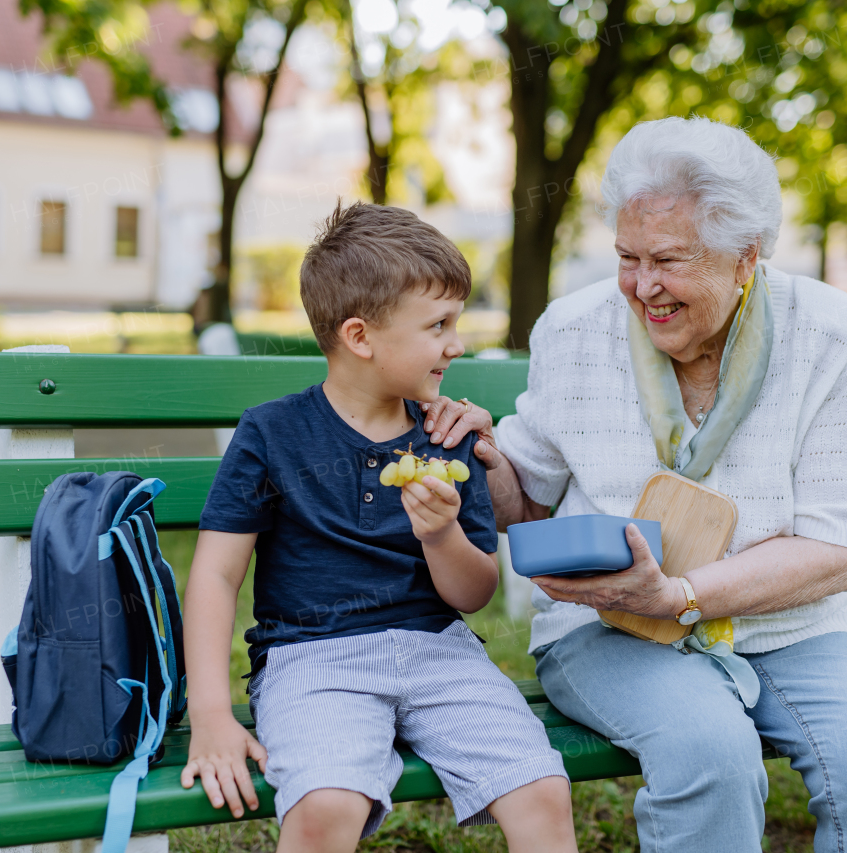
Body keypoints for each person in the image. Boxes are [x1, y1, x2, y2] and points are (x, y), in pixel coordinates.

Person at [418, 116, 847, 853]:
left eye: (668, 260)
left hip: (790, 623)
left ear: (744, 257)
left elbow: (837, 548)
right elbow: (526, 503)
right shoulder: (573, 330)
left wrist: (684, 595)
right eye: (628, 257)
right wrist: (486, 459)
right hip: (608, 624)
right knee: (712, 757)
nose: (642, 287)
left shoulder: (830, 331)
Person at [180, 202, 577, 853]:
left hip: (440, 650)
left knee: (541, 789)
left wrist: (442, 535)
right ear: (361, 337)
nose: (457, 342)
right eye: (439, 324)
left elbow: (472, 593)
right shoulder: (272, 434)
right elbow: (217, 576)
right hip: (313, 659)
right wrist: (212, 715)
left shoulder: (446, 436)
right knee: (325, 806)